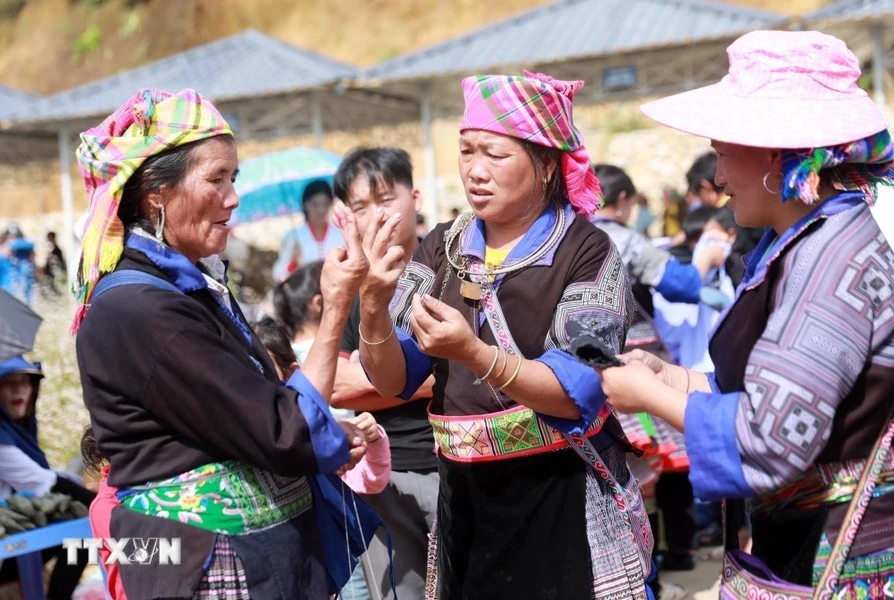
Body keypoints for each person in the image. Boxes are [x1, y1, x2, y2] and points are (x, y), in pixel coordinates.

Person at [602, 30, 894, 594]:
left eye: (724, 152)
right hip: (803, 541)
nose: (717, 178)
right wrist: (678, 379)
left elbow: (772, 437)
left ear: (776, 154)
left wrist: (649, 398)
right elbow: (784, 389)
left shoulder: (832, 259)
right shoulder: (807, 242)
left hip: (842, 556)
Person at [357, 72, 654, 599]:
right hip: (464, 500)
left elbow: (575, 392)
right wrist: (373, 306)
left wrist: (472, 353)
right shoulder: (441, 247)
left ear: (544, 164)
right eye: (467, 151)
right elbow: (395, 380)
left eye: (494, 154)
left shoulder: (586, 251)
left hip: (558, 491)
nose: (475, 171)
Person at [73, 88, 373, 599]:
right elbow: (281, 429)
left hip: (242, 556)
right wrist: (328, 433)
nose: (233, 198)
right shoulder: (142, 309)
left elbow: (270, 415)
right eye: (216, 179)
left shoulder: (185, 286)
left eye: (233, 178)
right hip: (210, 567)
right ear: (155, 195)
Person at [332, 147, 439, 600]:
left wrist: (373, 377)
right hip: (379, 477)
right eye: (360, 207)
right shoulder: (348, 282)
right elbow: (334, 385)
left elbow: (477, 371)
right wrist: (424, 376)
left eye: (384, 199)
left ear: (414, 196)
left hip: (450, 467)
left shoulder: (449, 269)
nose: (375, 216)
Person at [0, 356, 95, 600]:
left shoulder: (16, 433)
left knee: (79, 534)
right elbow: (43, 482)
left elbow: (51, 475)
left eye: (25, 382)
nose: (19, 389)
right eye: (9, 383)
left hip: (11, 540)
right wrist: (101, 504)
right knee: (83, 533)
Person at [273, 180, 345, 282]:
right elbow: (278, 274)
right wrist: (293, 263)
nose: (321, 210)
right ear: (305, 204)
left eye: (325, 204)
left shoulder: (340, 234)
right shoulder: (293, 236)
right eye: (315, 204)